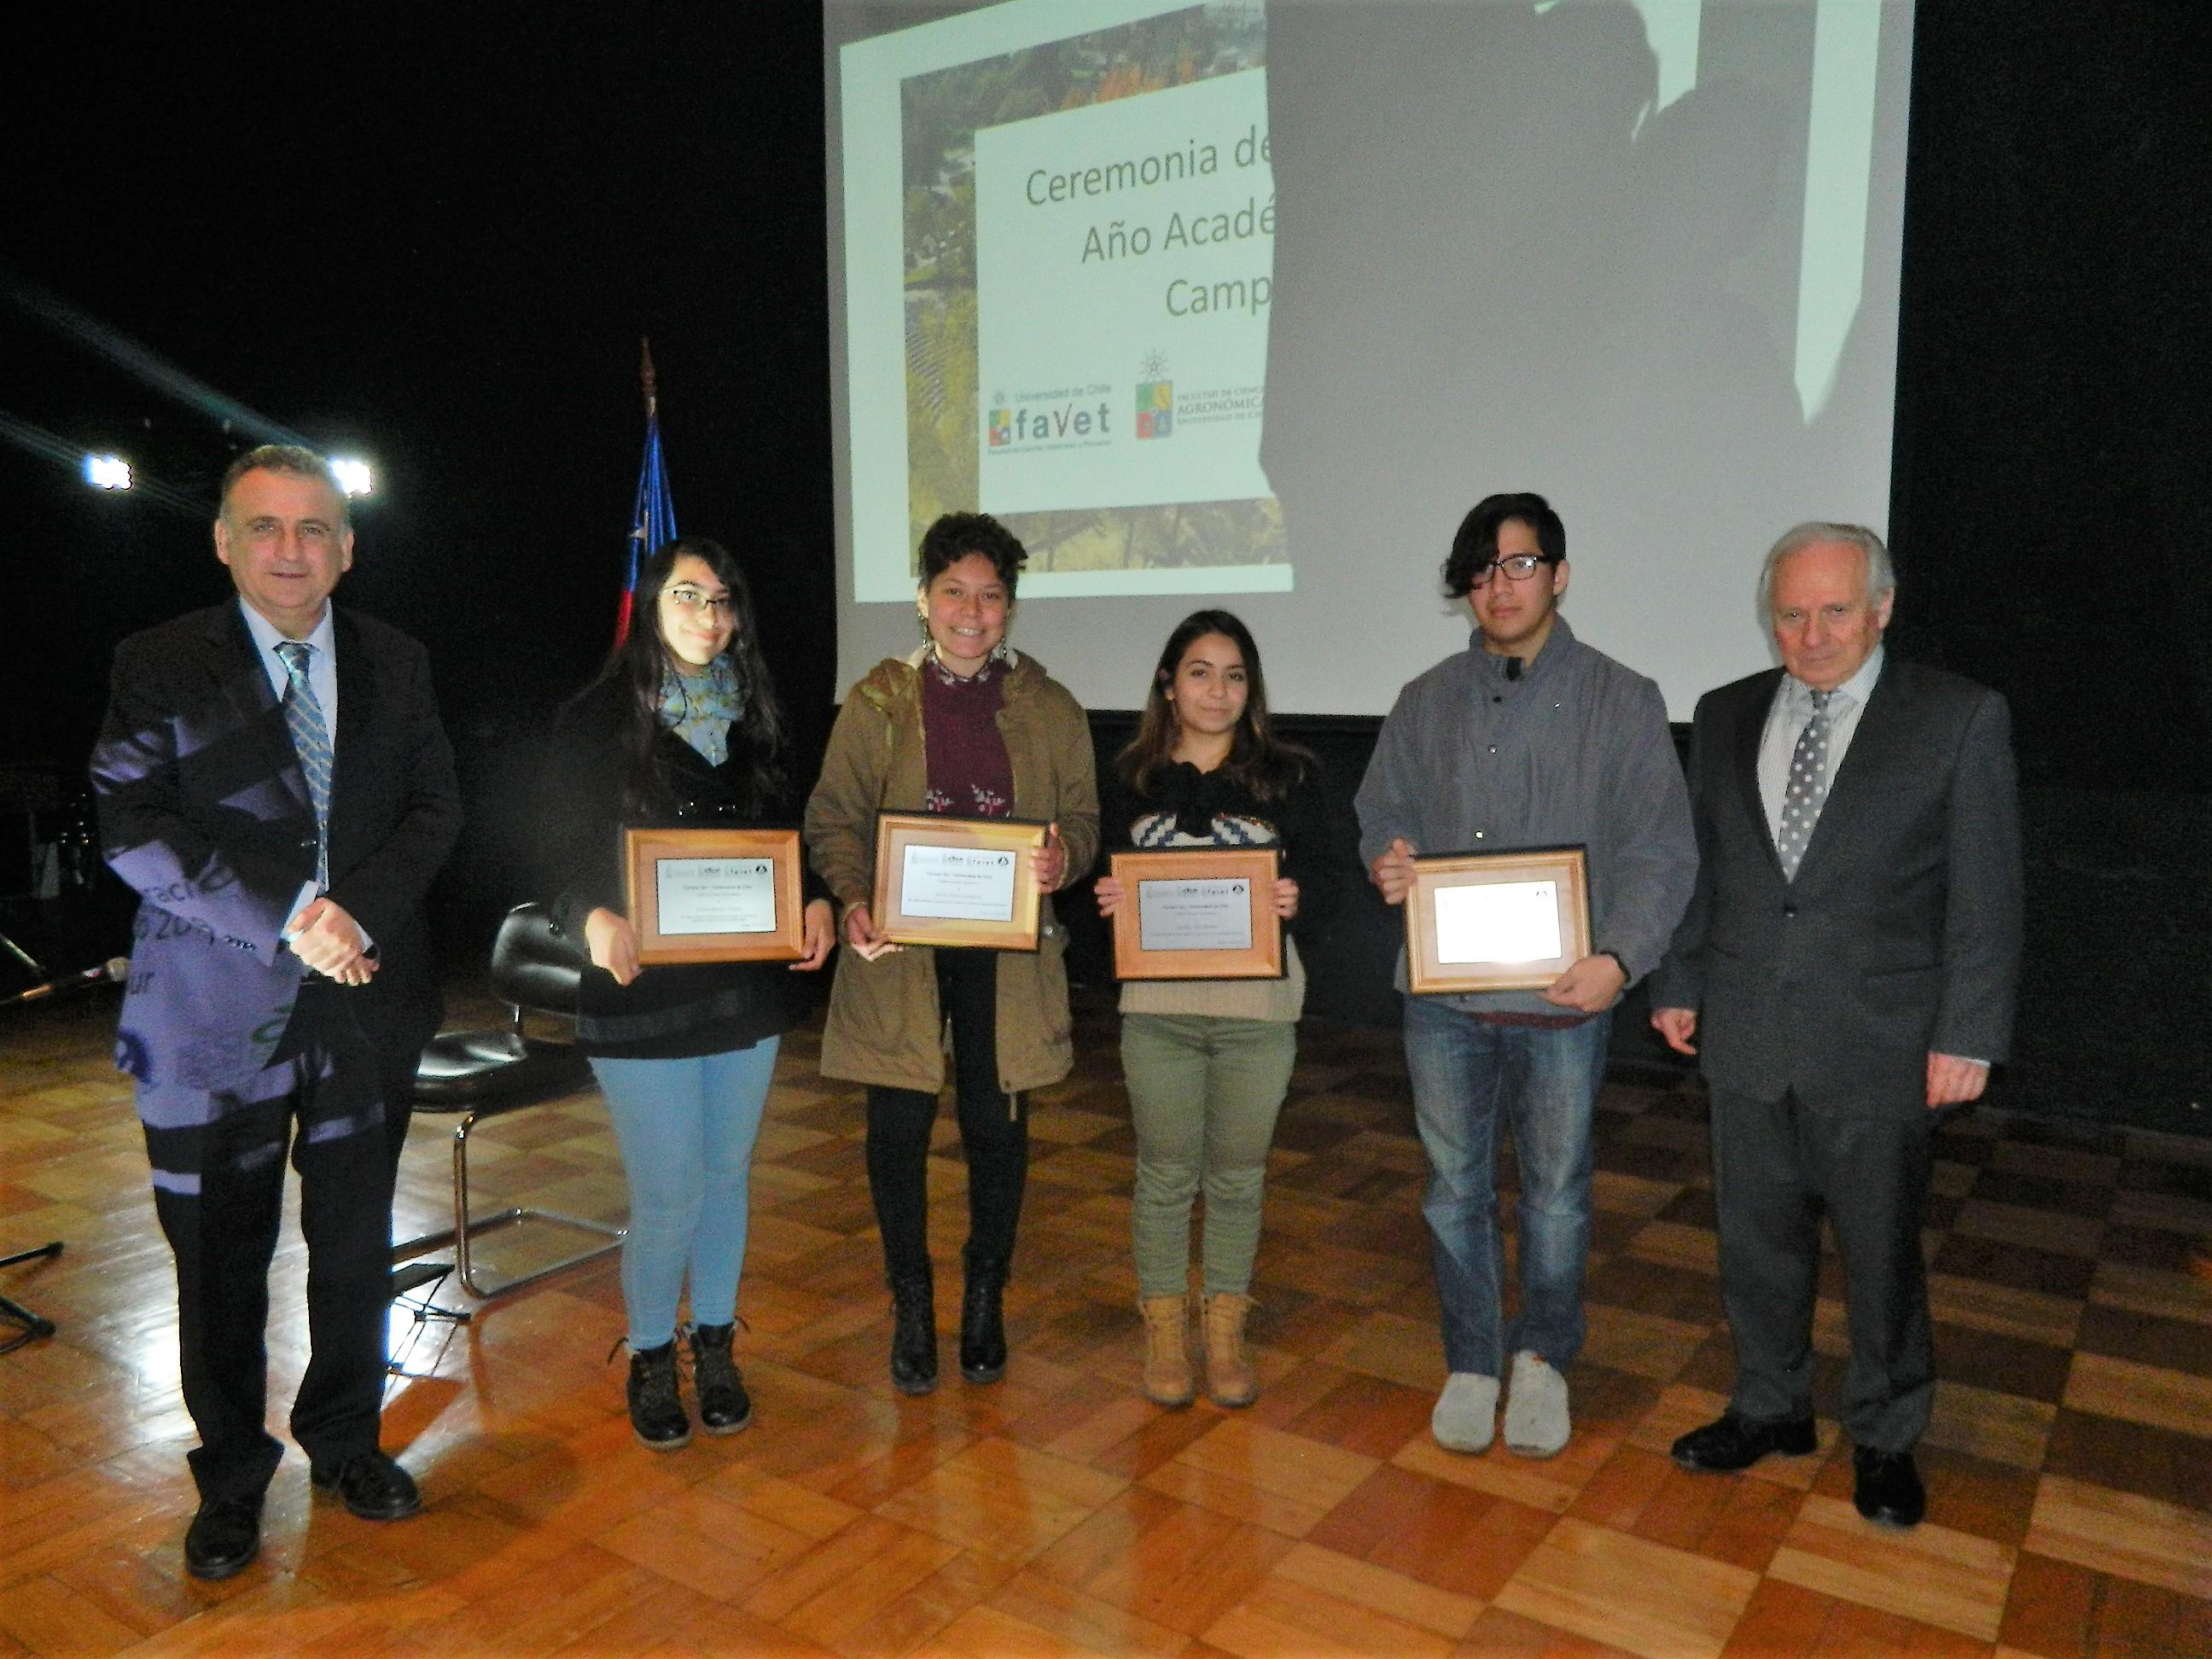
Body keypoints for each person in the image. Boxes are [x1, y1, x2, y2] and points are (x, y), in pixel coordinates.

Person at [90, 445, 461, 1580]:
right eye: (265, 527)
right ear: (223, 540)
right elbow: (131, 821)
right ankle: (233, 1479)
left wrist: (352, 916)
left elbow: (435, 810)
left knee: (355, 1247)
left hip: (365, 999)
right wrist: (294, 915)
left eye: (314, 529)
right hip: (209, 1011)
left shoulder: (399, 662)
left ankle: (346, 1442)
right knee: (218, 1257)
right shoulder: (158, 663)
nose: (291, 550)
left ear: (348, 548)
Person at [1651, 522, 2023, 1529]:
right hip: (1745, 1028)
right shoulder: (1723, 714)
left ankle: (1887, 1434)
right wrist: (1679, 980)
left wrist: (1969, 1034)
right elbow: (1707, 869)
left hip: (1884, 1039)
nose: (1811, 635)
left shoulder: (1957, 718)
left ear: (1883, 609)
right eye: (1791, 613)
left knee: (1881, 1253)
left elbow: (1986, 898)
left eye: (1834, 611)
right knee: (1754, 1243)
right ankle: (1771, 1408)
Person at [1356, 492, 1696, 1459]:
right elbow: (1382, 809)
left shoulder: (1621, 697)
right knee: (1451, 1186)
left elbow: (1662, 851)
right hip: (1444, 998)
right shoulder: (1425, 699)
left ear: (1559, 574)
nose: (1497, 586)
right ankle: (1472, 1359)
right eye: (1480, 570)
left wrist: (1621, 960)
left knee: (1554, 1192)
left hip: (1564, 1000)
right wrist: (1390, 855)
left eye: (1517, 564)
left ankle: (1542, 1356)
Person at [544, 538, 834, 1451]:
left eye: (722, 599)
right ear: (651, 605)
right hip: (640, 999)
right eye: (687, 595)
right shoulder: (596, 719)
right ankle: (647, 1353)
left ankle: (715, 1344)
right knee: (668, 1192)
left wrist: (818, 898)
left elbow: (797, 840)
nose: (708, 616)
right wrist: (588, 914)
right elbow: (550, 851)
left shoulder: (763, 720)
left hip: (744, 993)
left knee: (726, 1177)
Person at [804, 511, 1097, 1394]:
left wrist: (1061, 859)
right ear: (924, 601)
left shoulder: (1050, 706)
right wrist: (855, 899)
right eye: (954, 592)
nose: (973, 612)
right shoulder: (878, 702)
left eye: (991, 596)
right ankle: (910, 1304)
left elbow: (1083, 821)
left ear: (1009, 607)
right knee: (895, 1130)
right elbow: (833, 818)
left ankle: (983, 1299)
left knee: (994, 1129)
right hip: (900, 954)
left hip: (1004, 955)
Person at [1095, 611, 1334, 1409]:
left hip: (1258, 1010)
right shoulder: (1124, 775)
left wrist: (1302, 897)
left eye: (1234, 675)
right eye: (1199, 671)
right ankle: (1166, 1326)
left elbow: (1330, 887)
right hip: (1156, 1010)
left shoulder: (1289, 775)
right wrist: (1103, 896)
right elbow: (1093, 881)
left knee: (1236, 1176)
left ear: (1251, 689)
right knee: (1165, 1174)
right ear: (1169, 682)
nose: (1217, 690)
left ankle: (1225, 1327)